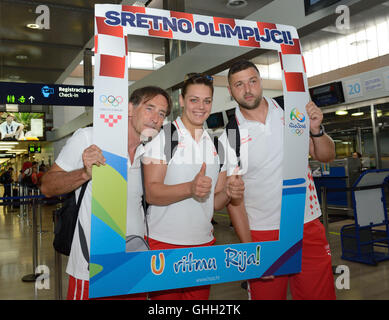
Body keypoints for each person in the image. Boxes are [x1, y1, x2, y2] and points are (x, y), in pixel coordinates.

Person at [40, 86, 172, 300]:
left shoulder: (146, 152)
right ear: (130, 108)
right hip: (93, 267)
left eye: (161, 113)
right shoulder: (90, 137)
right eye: (149, 108)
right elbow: (47, 185)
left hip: (133, 264)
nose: (155, 118)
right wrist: (84, 173)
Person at [225, 60, 336, 300]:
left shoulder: (292, 111)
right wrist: (250, 250)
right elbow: (234, 200)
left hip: (306, 224)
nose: (248, 89)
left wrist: (316, 130)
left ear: (261, 82)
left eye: (253, 81)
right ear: (230, 90)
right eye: (239, 84)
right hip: (263, 233)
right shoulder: (229, 135)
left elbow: (325, 155)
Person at [142, 73, 244, 300]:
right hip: (165, 244)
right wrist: (189, 187)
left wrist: (228, 193)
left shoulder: (217, 145)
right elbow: (152, 193)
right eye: (194, 100)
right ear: (181, 100)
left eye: (207, 101)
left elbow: (213, 203)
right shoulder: (166, 137)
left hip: (203, 245)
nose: (201, 107)